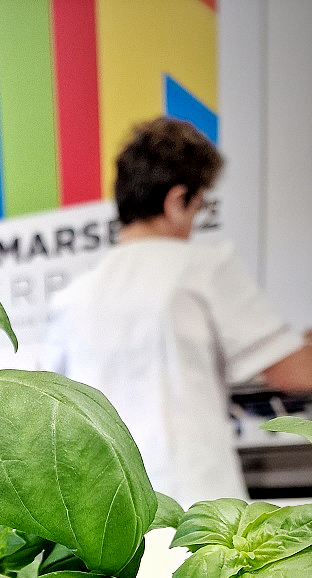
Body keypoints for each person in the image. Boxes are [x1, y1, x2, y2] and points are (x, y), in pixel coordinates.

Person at [43, 117, 312, 508]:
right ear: (176, 200)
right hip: (196, 509)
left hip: (109, 516)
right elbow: (293, 372)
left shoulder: (71, 298)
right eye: (199, 206)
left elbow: (52, 407)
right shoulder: (203, 267)